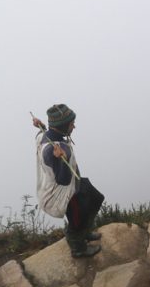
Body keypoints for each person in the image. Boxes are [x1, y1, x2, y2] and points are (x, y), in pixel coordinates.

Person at [33, 104, 104, 258]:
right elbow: (63, 180)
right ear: (63, 126)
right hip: (63, 193)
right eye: (71, 124)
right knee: (79, 217)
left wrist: (41, 125)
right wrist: (62, 159)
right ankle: (78, 247)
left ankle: (84, 232)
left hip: (73, 184)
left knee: (97, 198)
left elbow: (43, 133)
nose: (74, 126)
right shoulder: (54, 151)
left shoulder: (46, 135)